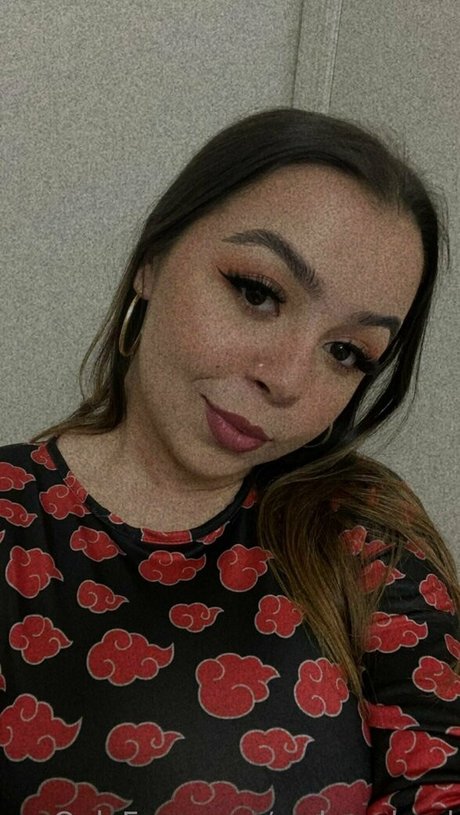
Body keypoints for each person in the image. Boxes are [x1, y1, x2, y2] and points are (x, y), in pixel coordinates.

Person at [0, 108, 459, 815]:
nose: (287, 379)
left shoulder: (360, 532)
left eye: (346, 352)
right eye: (257, 292)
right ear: (153, 258)